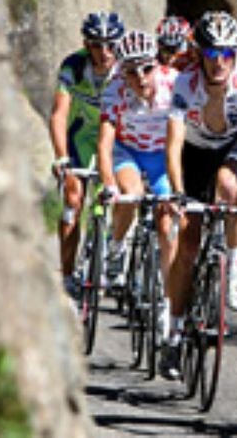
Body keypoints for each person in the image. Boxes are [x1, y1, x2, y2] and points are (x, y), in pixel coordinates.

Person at [161, 11, 237, 379]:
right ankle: (173, 332)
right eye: (210, 55)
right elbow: (172, 146)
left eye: (226, 54)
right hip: (194, 151)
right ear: (199, 55)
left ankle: (234, 265)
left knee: (230, 187)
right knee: (187, 248)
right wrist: (177, 191)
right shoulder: (185, 84)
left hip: (233, 146)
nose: (218, 62)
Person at [97, 30, 177, 304]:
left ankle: (169, 301)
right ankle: (117, 247)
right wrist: (109, 186)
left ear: (157, 63)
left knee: (168, 224)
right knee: (130, 193)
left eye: (147, 68)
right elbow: (105, 144)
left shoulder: (174, 84)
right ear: (122, 71)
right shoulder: (114, 89)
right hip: (127, 150)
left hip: (163, 156)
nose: (140, 77)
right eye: (131, 72)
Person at [49, 11, 124, 298]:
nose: (104, 52)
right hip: (79, 137)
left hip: (115, 138)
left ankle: (109, 250)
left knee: (118, 193)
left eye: (110, 44)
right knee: (72, 201)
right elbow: (58, 115)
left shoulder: (126, 66)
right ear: (86, 43)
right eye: (96, 44)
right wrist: (61, 159)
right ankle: (67, 275)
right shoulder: (74, 65)